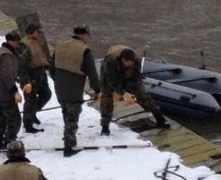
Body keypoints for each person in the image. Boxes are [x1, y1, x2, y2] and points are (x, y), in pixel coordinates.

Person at [49, 25, 101, 157]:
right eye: (88, 36)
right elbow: (92, 74)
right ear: (84, 35)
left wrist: (57, 80)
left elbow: (51, 68)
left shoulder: (60, 46)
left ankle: (67, 136)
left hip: (60, 87)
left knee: (66, 112)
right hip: (74, 89)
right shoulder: (85, 50)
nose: (88, 39)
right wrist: (97, 90)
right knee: (72, 116)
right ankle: (69, 147)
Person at [100, 45, 170, 135]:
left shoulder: (137, 60)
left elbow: (136, 77)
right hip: (110, 74)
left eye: (131, 64)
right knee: (106, 98)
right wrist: (123, 93)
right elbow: (112, 80)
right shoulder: (111, 60)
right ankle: (105, 128)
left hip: (128, 74)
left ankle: (161, 120)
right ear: (123, 60)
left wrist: (135, 91)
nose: (129, 65)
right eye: (127, 64)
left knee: (143, 94)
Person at [0, 31, 23, 154]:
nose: (18, 45)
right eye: (17, 42)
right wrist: (15, 92)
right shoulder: (7, 56)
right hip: (4, 93)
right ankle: (9, 144)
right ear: (12, 41)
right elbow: (7, 77)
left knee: (0, 120)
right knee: (15, 120)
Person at [18, 23, 52, 134]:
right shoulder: (25, 44)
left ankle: (32, 114)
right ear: (32, 32)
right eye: (37, 31)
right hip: (31, 76)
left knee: (46, 94)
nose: (39, 33)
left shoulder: (36, 41)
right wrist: (26, 82)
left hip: (40, 75)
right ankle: (28, 124)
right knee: (30, 101)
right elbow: (22, 65)